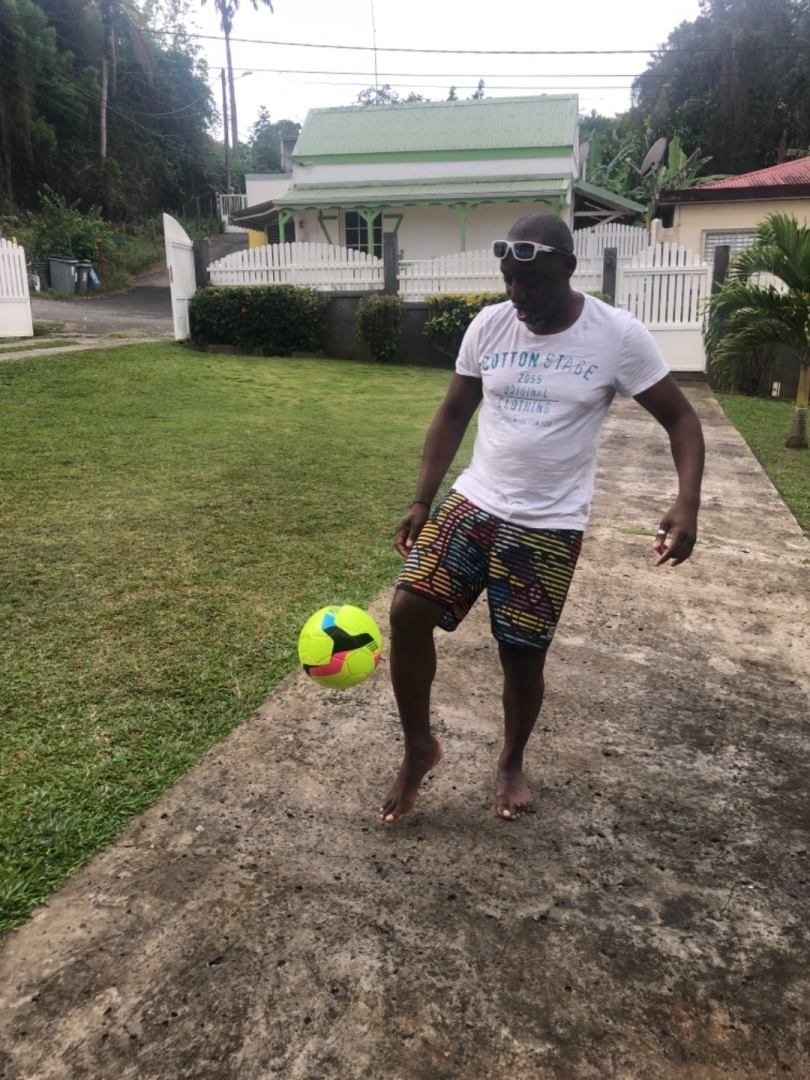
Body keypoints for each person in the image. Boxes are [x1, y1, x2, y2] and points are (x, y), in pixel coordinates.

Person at [380, 212, 705, 824]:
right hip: (475, 500)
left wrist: (686, 500)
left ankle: (510, 761)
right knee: (406, 612)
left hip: (549, 523)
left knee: (522, 656)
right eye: (508, 280)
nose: (517, 295)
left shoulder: (617, 335)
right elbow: (453, 413)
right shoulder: (490, 324)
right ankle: (419, 747)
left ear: (568, 268)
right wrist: (423, 500)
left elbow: (682, 419)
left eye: (531, 282)